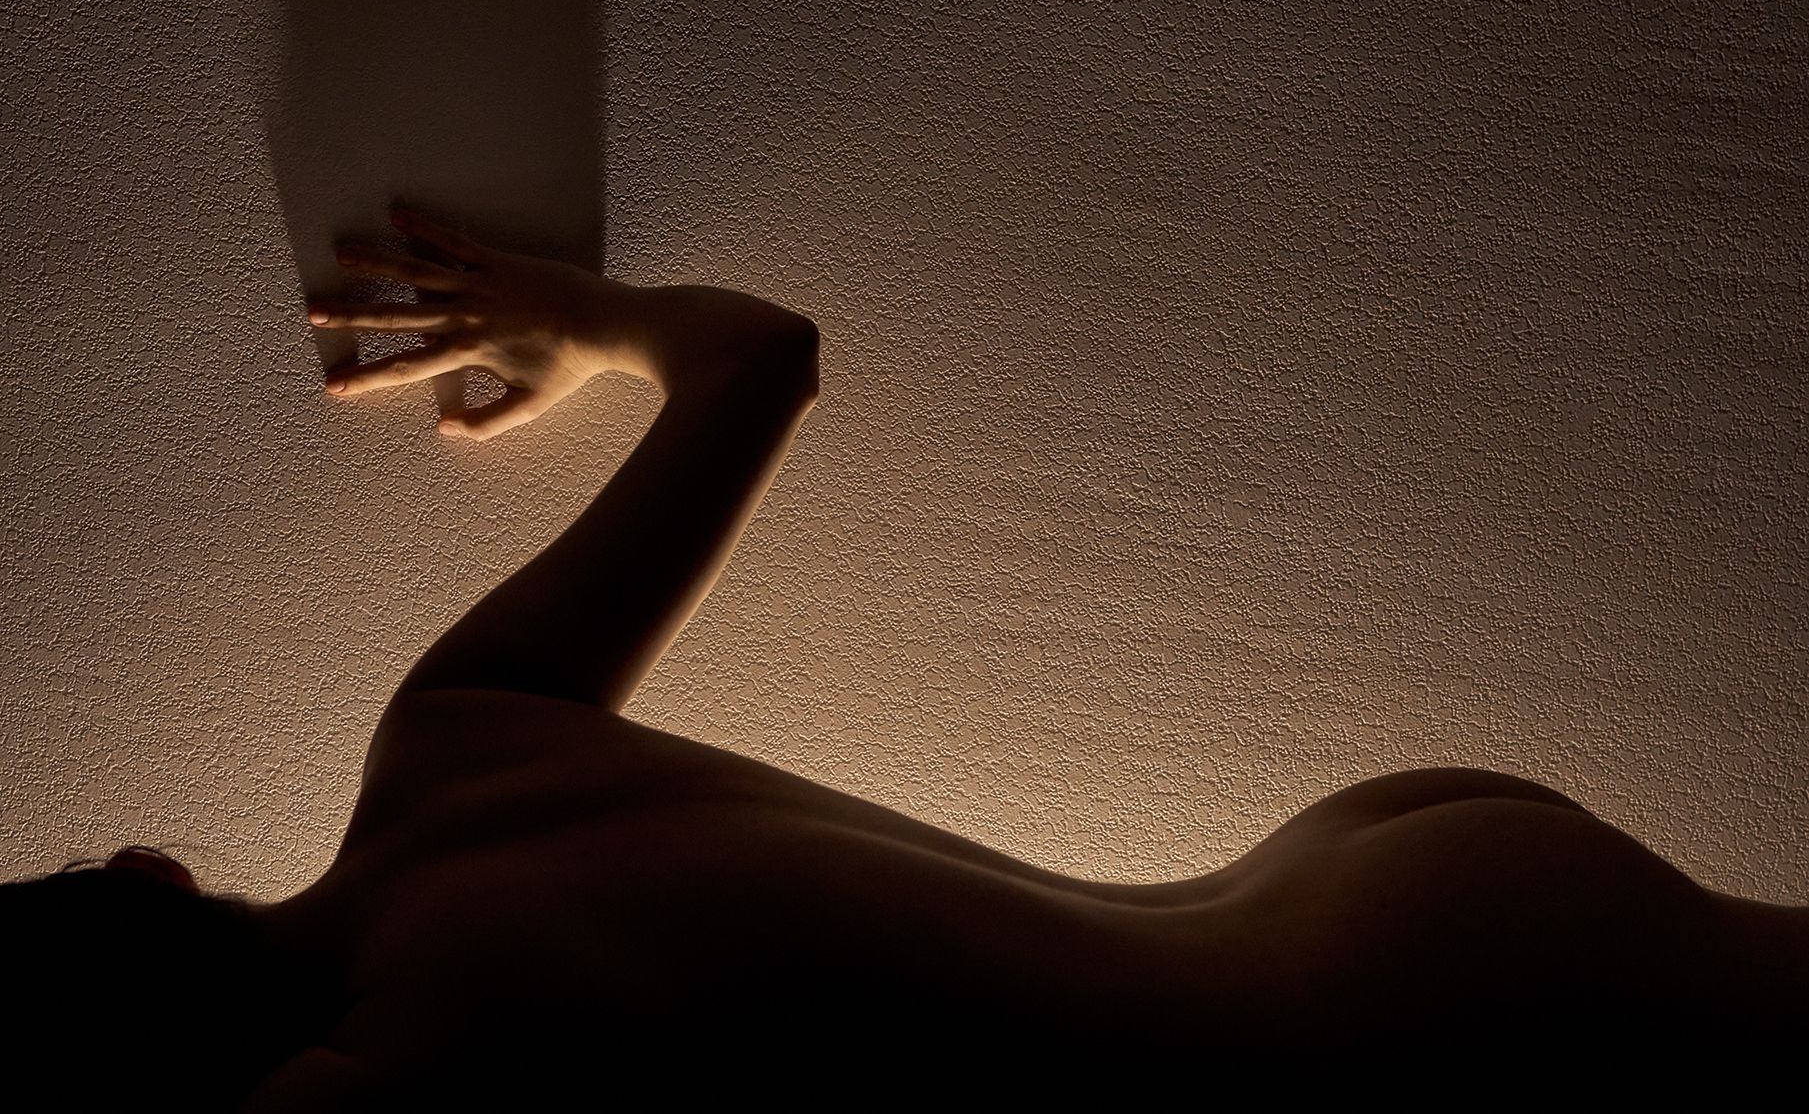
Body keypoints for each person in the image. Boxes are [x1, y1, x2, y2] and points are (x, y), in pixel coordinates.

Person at [4, 206, 1800, 1107]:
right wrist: (573, 321)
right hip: (1390, 892)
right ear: (157, 871)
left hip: (1425, 1074)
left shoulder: (391, 1085)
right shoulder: (454, 733)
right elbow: (757, 357)